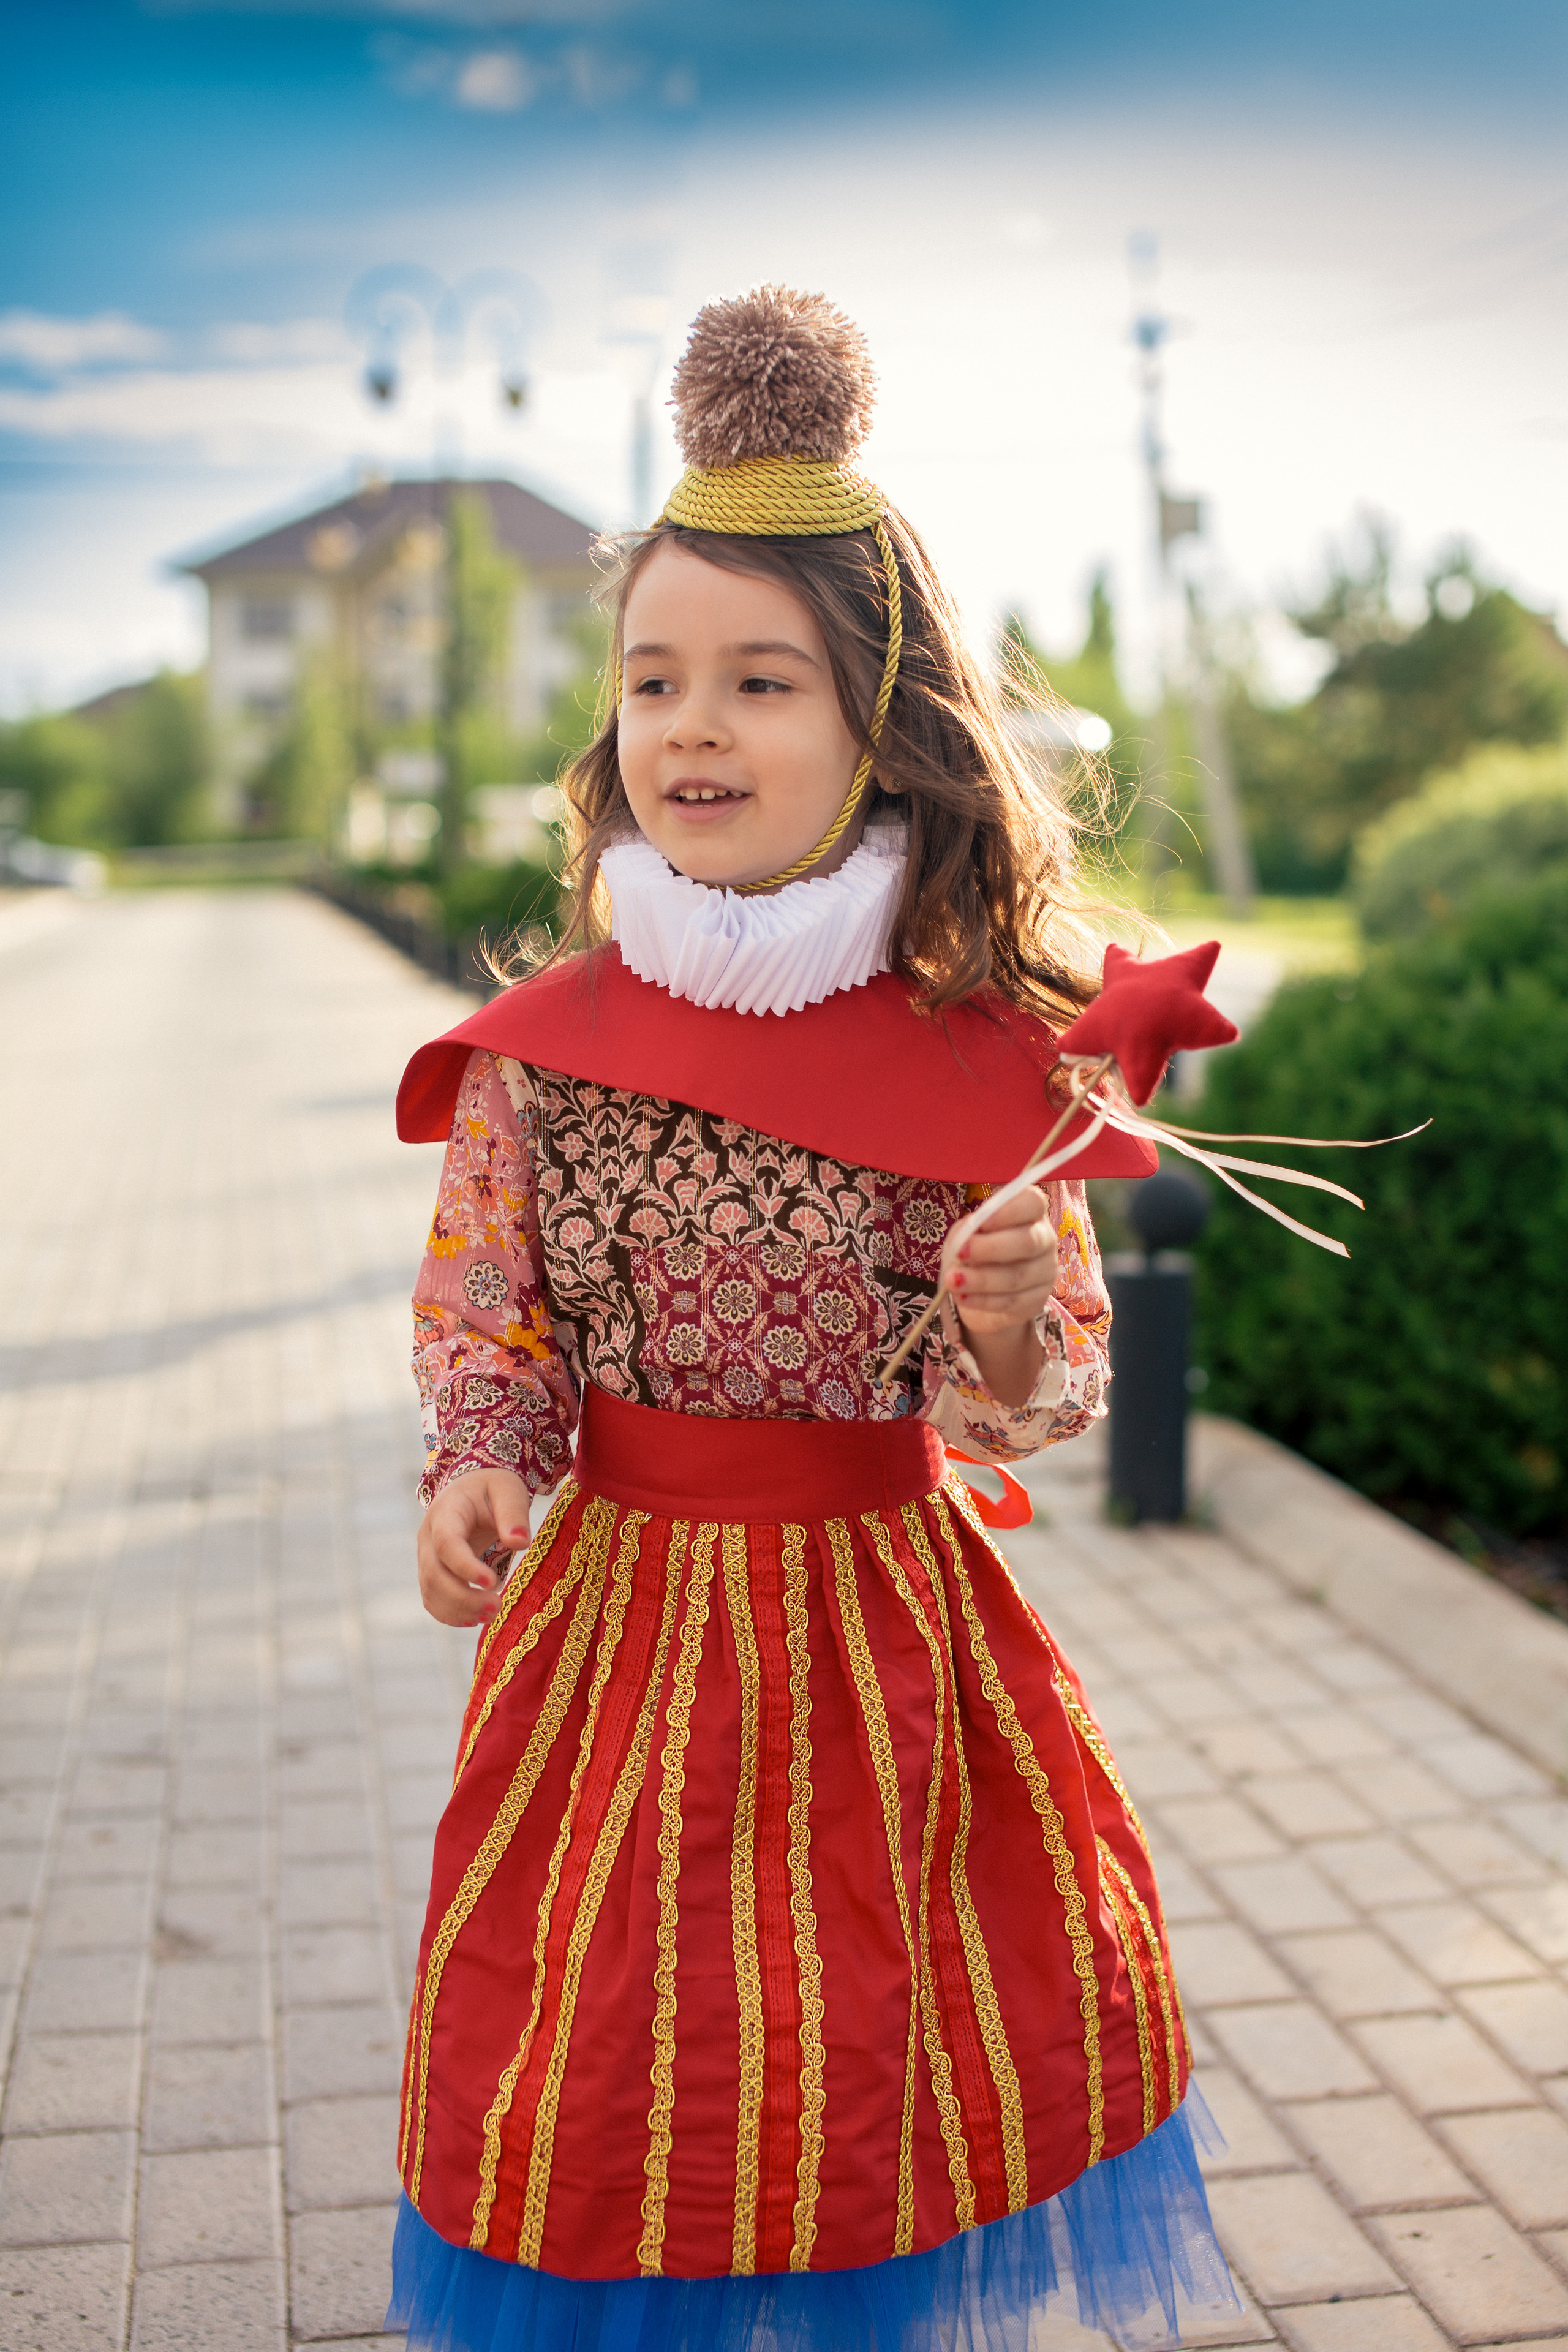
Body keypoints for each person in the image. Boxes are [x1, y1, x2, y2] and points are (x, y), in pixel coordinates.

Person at [386, 285, 1237, 2351]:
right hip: (621, 1648)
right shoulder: (547, 1057)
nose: (697, 725)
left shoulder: (971, 1062)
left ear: (887, 723)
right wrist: (479, 1471)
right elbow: (488, 1311)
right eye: (656, 677)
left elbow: (1024, 1403)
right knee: (615, 2045)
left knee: (876, 2041)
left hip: (886, 1642)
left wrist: (1018, 1319)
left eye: (763, 682)